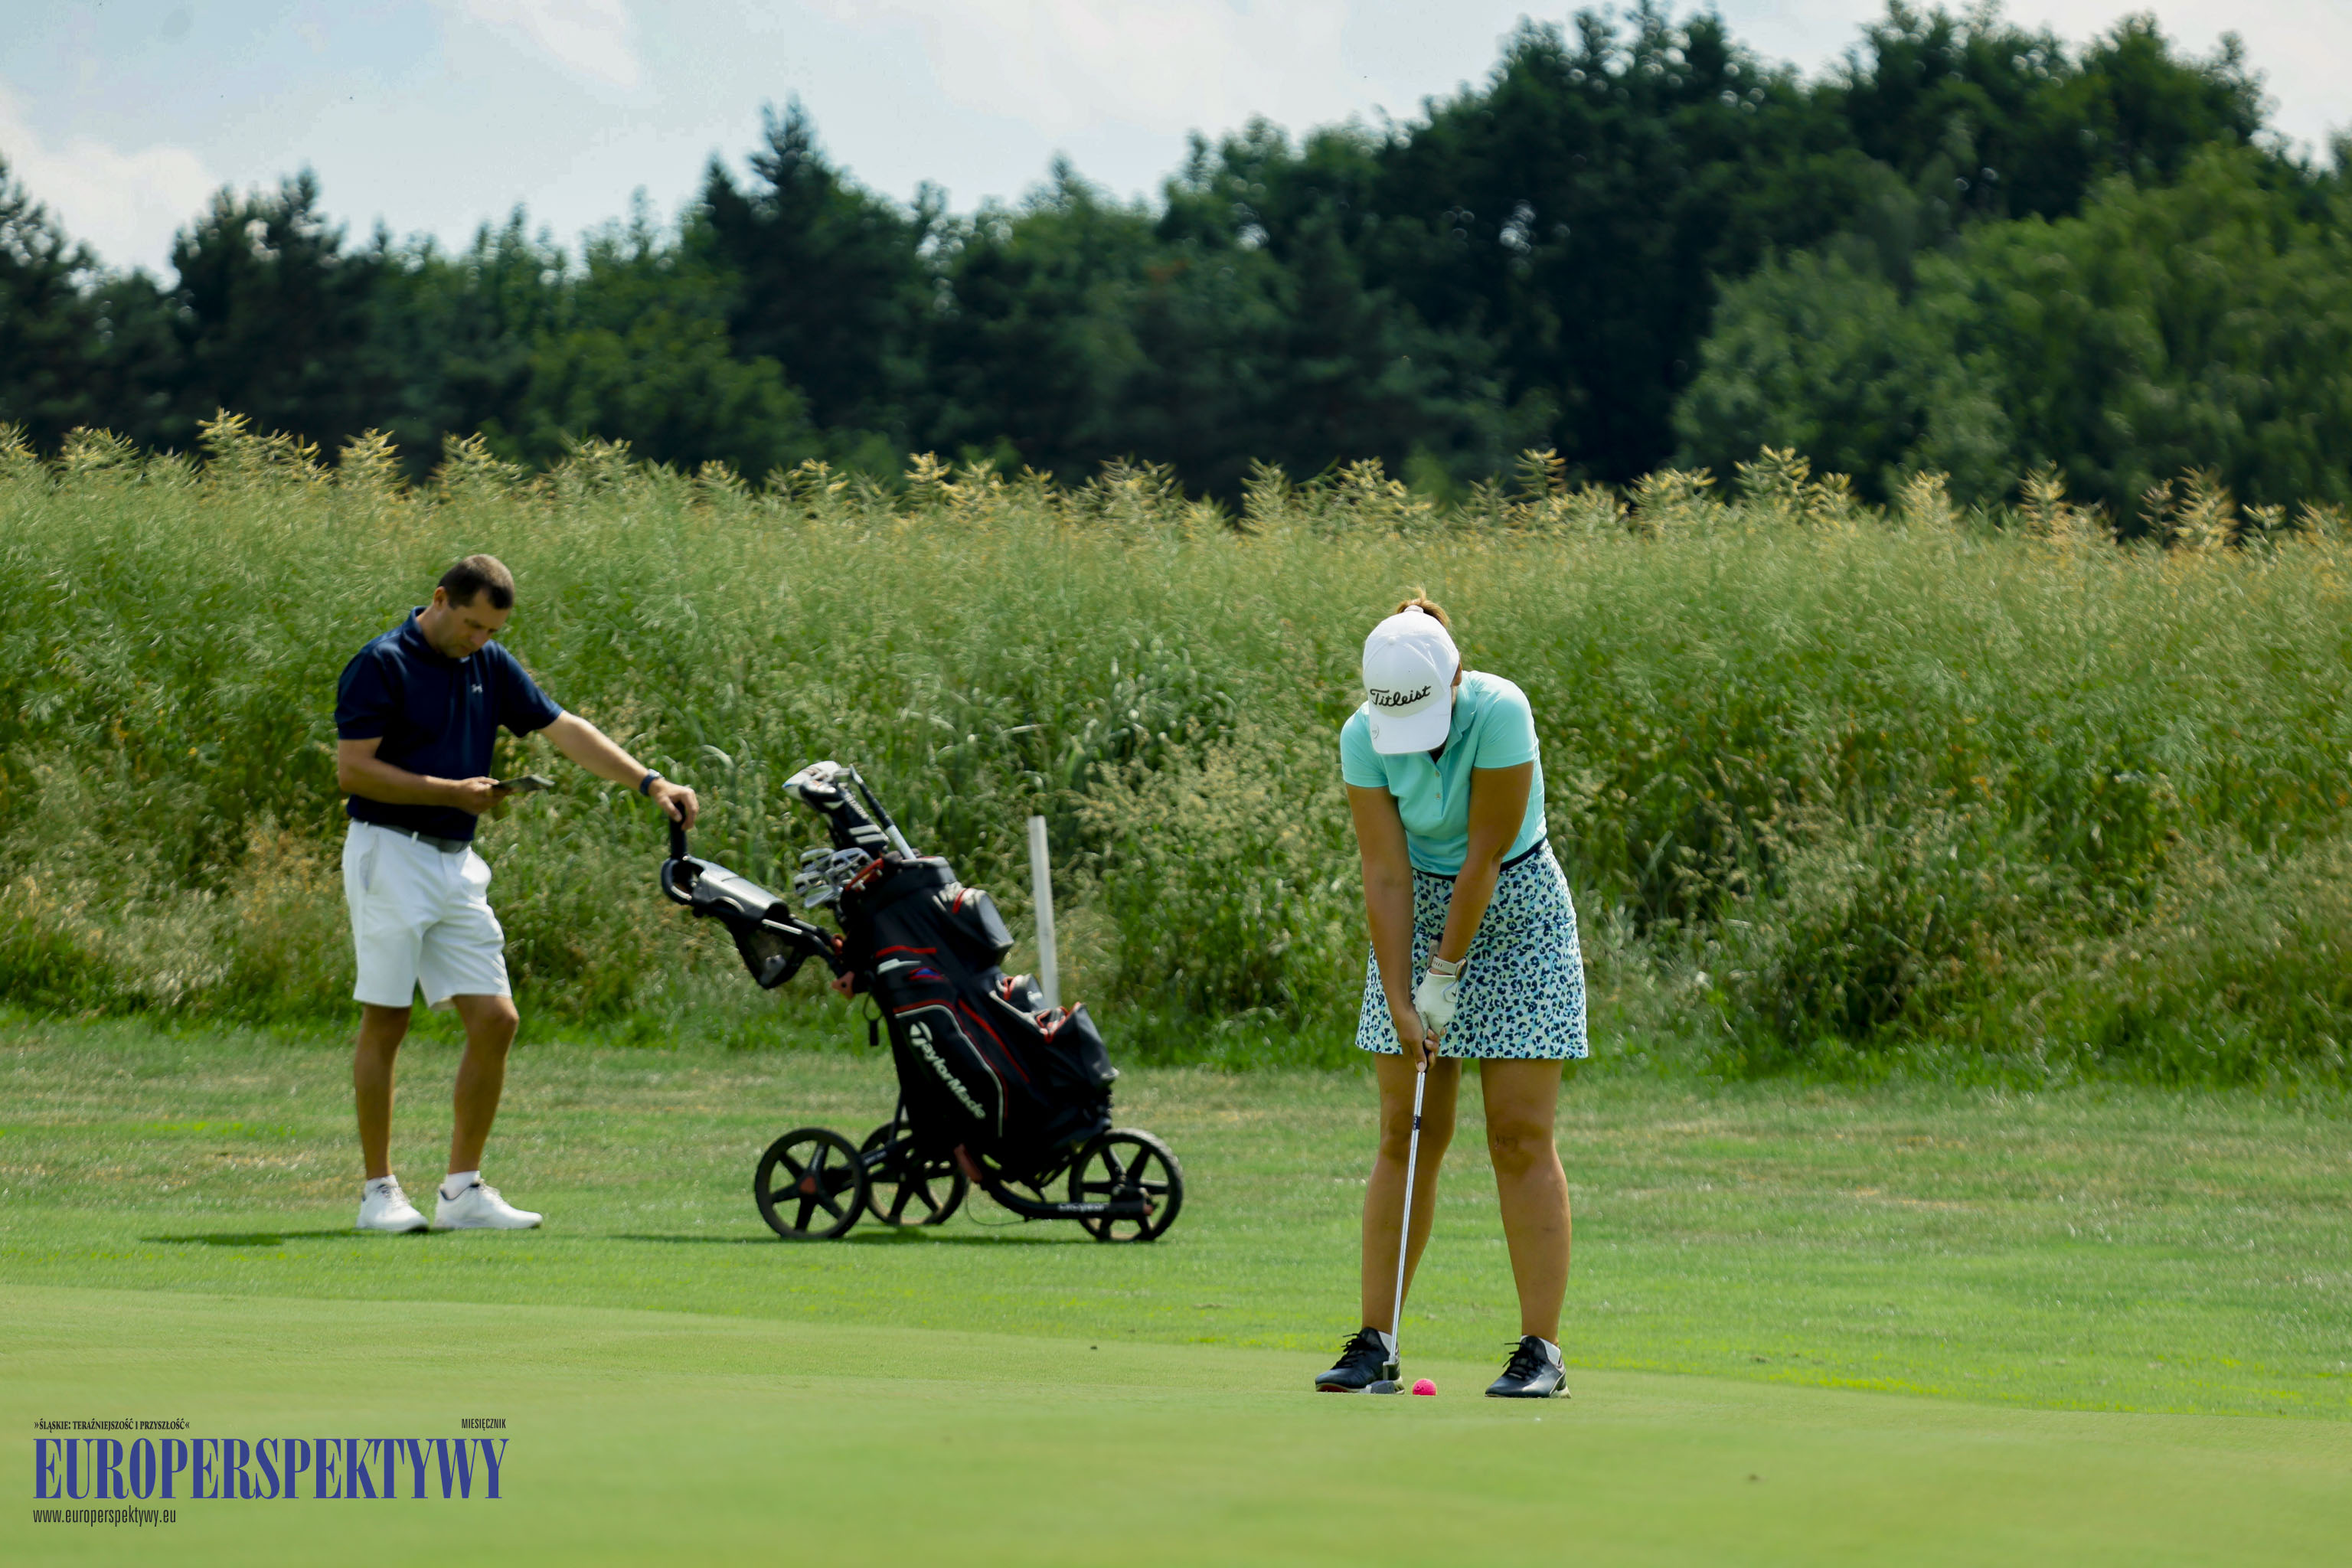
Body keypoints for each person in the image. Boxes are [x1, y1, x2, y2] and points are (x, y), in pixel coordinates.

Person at [335, 555, 697, 1233]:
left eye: (490, 629)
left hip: (455, 863)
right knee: (388, 1021)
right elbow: (354, 771)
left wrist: (650, 783)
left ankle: (462, 1192)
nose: (478, 640)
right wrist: (452, 792)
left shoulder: (489, 664)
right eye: (470, 624)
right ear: (440, 599)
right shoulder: (381, 663)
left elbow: (565, 729)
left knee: (498, 1020)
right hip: (387, 854)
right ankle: (378, 1193)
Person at [1315, 595, 1586, 1399]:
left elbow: (1483, 860)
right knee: (1407, 1127)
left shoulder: (1501, 710)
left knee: (1519, 1134)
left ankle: (1542, 1350)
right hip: (1416, 915)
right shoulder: (1363, 734)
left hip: (1517, 912)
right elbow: (1387, 872)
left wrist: (1444, 976)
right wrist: (1402, 995)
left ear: (1456, 678)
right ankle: (1377, 1341)